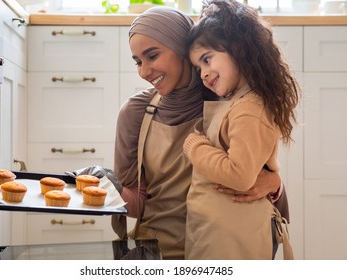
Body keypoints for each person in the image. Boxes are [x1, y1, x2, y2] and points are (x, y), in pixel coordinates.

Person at [112, 6, 288, 260]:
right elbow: (137, 202)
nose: (144, 71)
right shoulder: (135, 112)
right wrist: (109, 189)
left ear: (183, 49)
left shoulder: (230, 101)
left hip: (224, 248)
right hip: (160, 252)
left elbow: (253, 179)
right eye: (138, 62)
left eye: (152, 56)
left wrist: (275, 185)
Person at [183, 0, 299, 259]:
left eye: (207, 59)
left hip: (233, 235)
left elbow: (240, 175)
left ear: (238, 49)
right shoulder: (237, 101)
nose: (203, 73)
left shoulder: (249, 108)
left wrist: (195, 146)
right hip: (219, 230)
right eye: (198, 67)